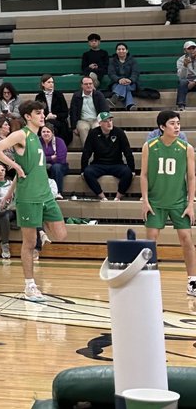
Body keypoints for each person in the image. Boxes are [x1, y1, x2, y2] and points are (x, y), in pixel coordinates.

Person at [0, 100, 68, 302]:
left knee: (61, 234)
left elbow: (27, 170)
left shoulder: (37, 138)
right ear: (28, 116)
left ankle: (40, 229)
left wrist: (8, 193)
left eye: (43, 113)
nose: (43, 116)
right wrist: (14, 165)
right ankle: (29, 285)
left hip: (45, 195)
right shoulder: (21, 134)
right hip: (29, 197)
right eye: (39, 113)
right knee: (29, 244)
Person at [141, 109, 196, 296]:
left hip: (179, 201)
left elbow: (191, 177)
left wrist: (190, 203)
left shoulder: (186, 148)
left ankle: (193, 281)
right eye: (172, 123)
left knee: (187, 239)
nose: (177, 126)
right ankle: (147, 280)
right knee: (151, 240)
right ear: (162, 126)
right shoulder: (149, 146)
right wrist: (145, 201)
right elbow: (144, 175)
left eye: (178, 123)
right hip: (156, 201)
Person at [80, 111, 135, 200]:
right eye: (106, 121)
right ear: (100, 123)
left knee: (128, 172)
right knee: (87, 172)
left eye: (110, 120)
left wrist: (132, 169)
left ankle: (117, 197)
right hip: (98, 164)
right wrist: (83, 169)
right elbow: (87, 152)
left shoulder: (119, 132)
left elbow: (127, 151)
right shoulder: (93, 133)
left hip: (116, 164)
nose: (109, 123)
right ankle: (102, 197)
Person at [68, 75, 110, 148]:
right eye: (86, 84)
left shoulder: (99, 95)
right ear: (82, 86)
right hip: (82, 120)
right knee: (83, 128)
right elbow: (73, 112)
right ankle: (87, 152)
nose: (88, 86)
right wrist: (74, 127)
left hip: (96, 120)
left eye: (90, 84)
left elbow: (105, 110)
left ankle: (99, 151)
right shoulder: (76, 96)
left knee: (97, 128)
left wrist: (102, 121)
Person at [35, 74, 71, 145]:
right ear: (43, 84)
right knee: (49, 126)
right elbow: (37, 112)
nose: (51, 84)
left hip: (59, 121)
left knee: (55, 127)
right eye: (49, 82)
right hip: (44, 121)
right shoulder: (39, 97)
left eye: (52, 82)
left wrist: (55, 116)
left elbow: (65, 113)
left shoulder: (59, 95)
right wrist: (46, 117)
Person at [40, 123, 68, 197]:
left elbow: (60, 158)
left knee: (56, 167)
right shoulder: (38, 141)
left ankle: (58, 192)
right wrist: (51, 157)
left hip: (61, 166)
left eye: (48, 132)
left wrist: (45, 158)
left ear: (52, 133)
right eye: (43, 132)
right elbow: (36, 157)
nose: (45, 133)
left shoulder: (59, 141)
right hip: (43, 165)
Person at [108, 43, 139, 109]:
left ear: (127, 51)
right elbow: (111, 74)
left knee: (126, 85)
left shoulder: (133, 61)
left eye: (123, 49)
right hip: (116, 83)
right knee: (125, 88)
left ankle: (116, 95)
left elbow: (135, 73)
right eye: (119, 49)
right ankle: (130, 105)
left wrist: (130, 80)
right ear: (116, 51)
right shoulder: (112, 61)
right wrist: (119, 80)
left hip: (131, 83)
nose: (121, 51)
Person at [178, 41, 196, 109]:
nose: (192, 50)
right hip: (187, 82)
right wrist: (185, 66)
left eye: (193, 48)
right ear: (185, 50)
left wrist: (194, 82)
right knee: (182, 82)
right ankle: (181, 106)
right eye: (189, 48)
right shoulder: (180, 60)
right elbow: (181, 77)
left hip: (194, 81)